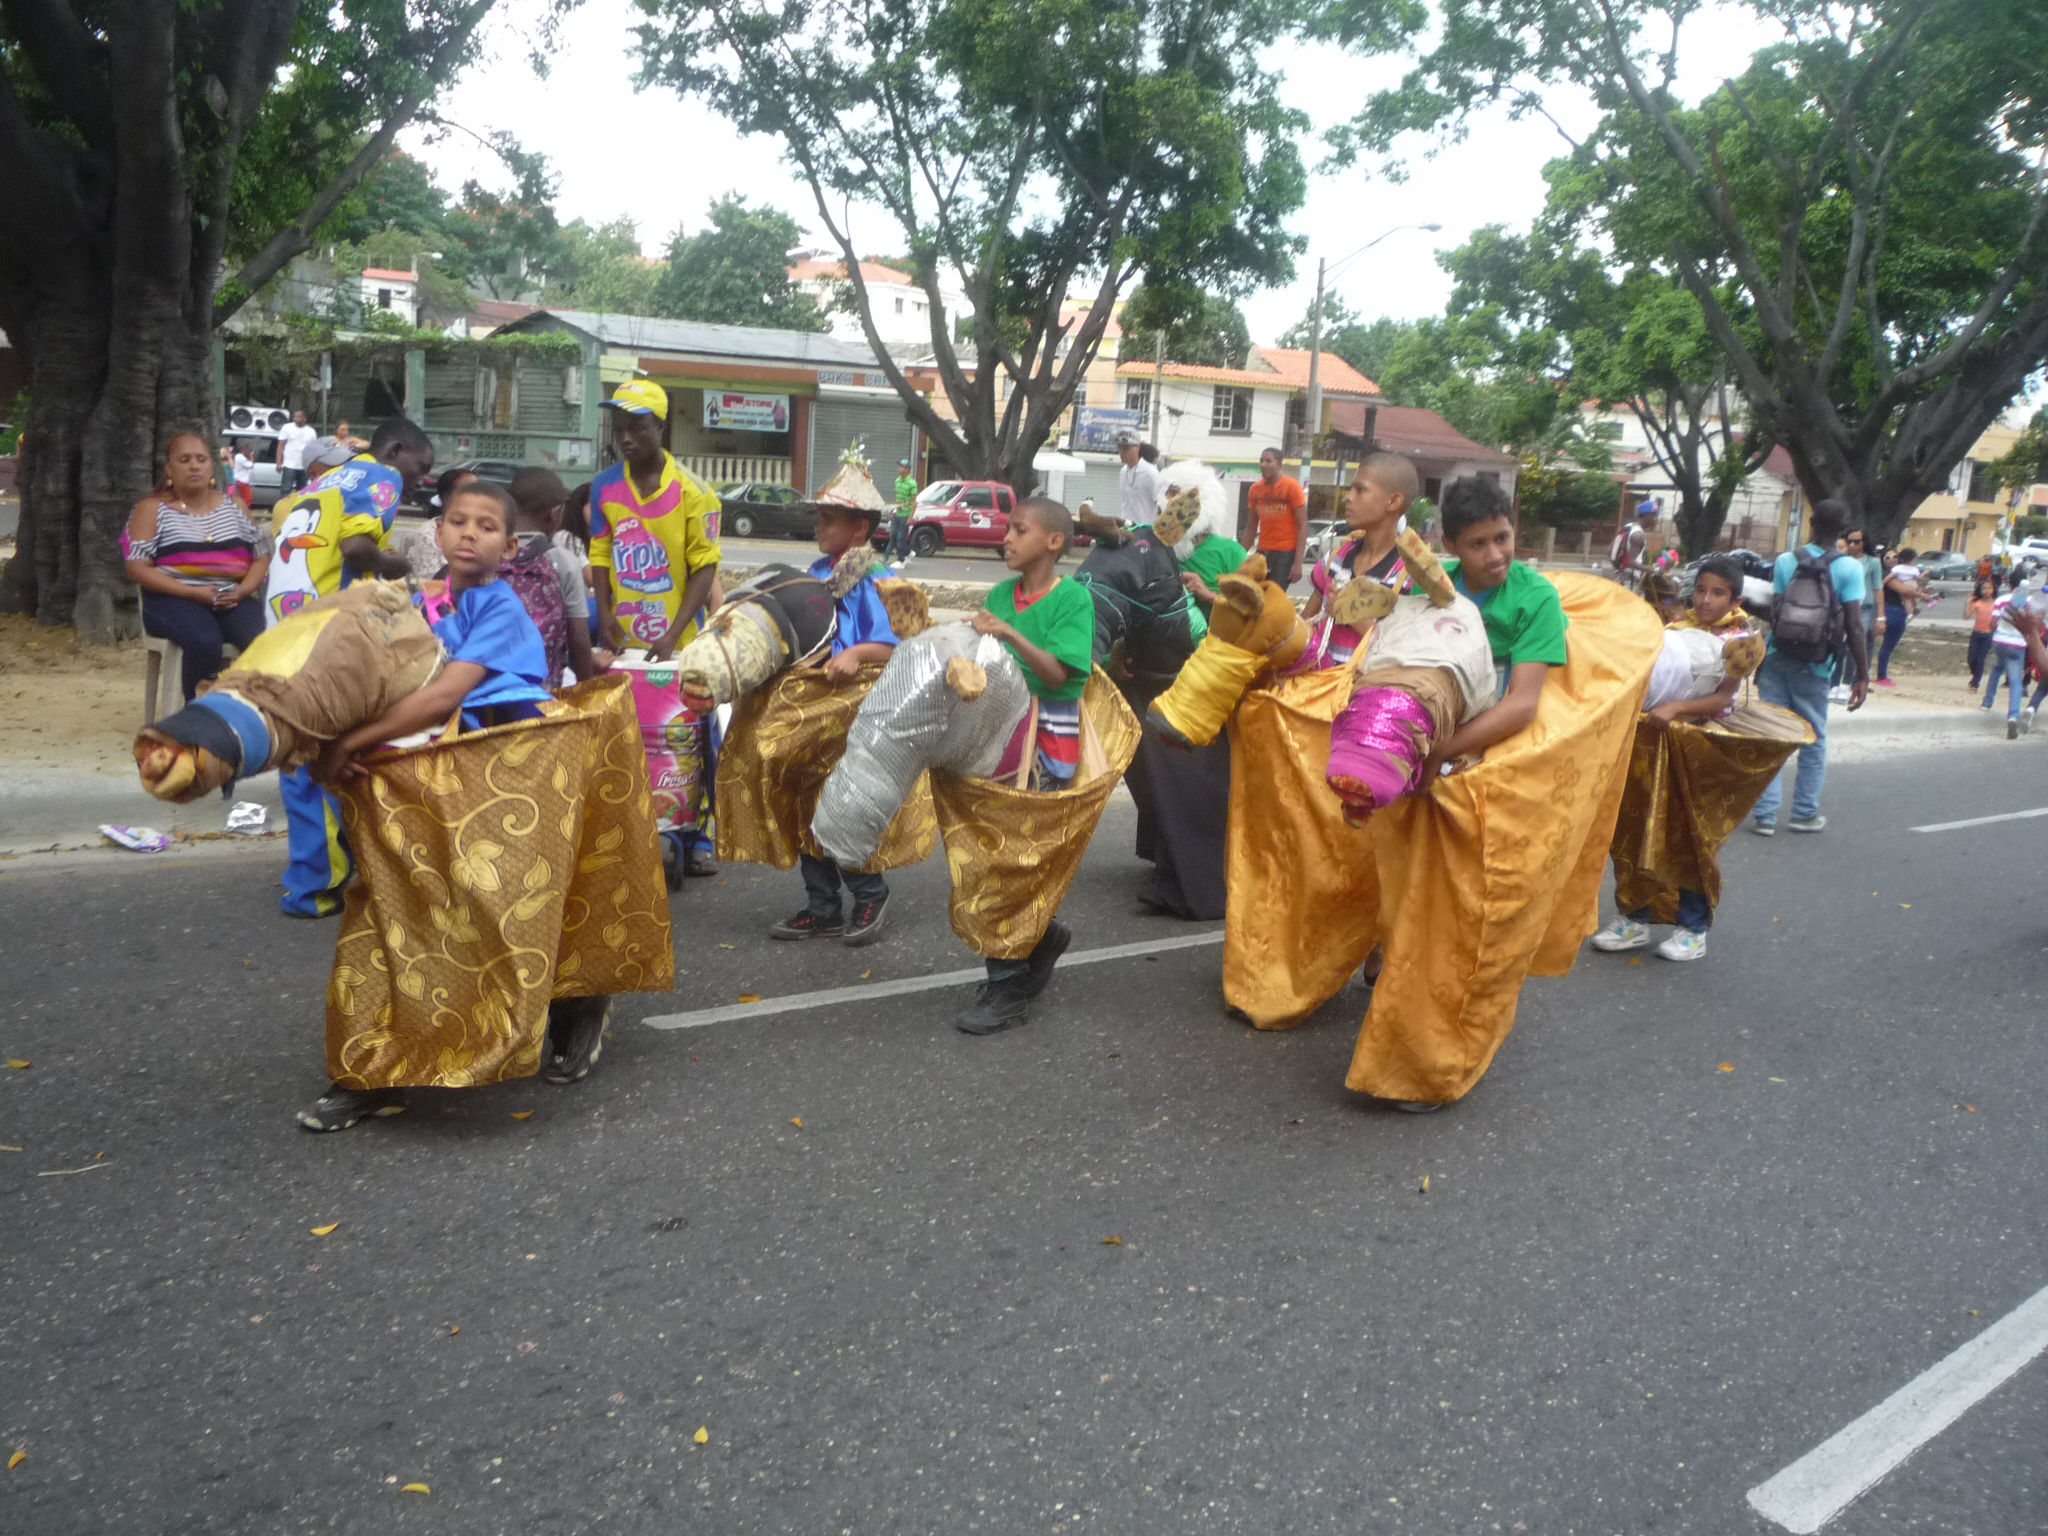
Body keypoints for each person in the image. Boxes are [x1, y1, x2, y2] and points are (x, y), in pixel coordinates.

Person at [297, 480, 598, 1131]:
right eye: (457, 521)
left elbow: (441, 698)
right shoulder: (419, 604)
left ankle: (573, 1005)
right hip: (410, 785)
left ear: (510, 545)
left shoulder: (502, 610)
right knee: (382, 913)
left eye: (486, 526)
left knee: (495, 914)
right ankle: (364, 1072)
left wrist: (350, 740)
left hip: (495, 788)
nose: (468, 532)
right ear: (436, 534)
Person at [265, 417, 433, 918]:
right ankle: (316, 886)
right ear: (397, 450)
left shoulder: (322, 481)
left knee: (303, 752)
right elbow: (356, 548)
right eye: (421, 467)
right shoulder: (380, 476)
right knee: (323, 758)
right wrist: (396, 567)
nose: (420, 479)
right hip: (325, 636)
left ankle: (325, 869)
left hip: (283, 626)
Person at [1590, 557, 1785, 962]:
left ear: (1734, 598)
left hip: (1698, 748)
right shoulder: (1677, 628)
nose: (1707, 600)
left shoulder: (1743, 641)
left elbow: (1721, 699)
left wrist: (1677, 706)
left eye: (1717, 593)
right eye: (1700, 591)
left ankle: (1693, 927)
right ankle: (1633, 917)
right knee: (1632, 827)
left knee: (1690, 835)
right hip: (1650, 741)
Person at [956, 498, 1099, 1034]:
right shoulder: (999, 594)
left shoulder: (1073, 601)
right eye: (1009, 529)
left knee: (1014, 864)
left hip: (1045, 753)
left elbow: (1058, 674)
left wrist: (1008, 634)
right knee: (992, 859)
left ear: (1055, 542)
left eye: (1020, 530)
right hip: (997, 745)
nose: (1007, 538)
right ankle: (1039, 940)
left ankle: (1008, 986)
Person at [588, 377, 724, 880]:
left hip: (679, 642)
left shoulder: (695, 493)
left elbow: (703, 567)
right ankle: (645, 823)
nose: (627, 437)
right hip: (624, 642)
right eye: (620, 427)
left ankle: (700, 835)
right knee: (639, 738)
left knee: (693, 736)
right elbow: (601, 553)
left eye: (638, 427)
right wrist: (604, 615)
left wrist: (674, 634)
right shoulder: (605, 486)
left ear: (660, 428)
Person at [767, 494, 902, 944]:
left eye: (829, 520)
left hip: (856, 709)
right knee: (807, 796)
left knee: (847, 803)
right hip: (810, 705)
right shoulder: (816, 574)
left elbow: (899, 643)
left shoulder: (880, 580)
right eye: (819, 519)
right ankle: (821, 905)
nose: (819, 528)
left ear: (859, 529)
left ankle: (869, 893)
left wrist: (857, 653)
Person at [1425, 476, 1570, 777]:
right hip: (1435, 724)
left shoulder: (1536, 599)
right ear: (1450, 545)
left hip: (1504, 739)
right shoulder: (1429, 588)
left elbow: (1521, 705)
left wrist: (1440, 751)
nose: (1494, 556)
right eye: (1477, 544)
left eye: (1502, 538)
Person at [122, 431, 271, 703]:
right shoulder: (153, 508)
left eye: (201, 459)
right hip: (173, 599)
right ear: (170, 468)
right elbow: (137, 567)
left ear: (211, 466)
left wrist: (243, 591)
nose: (194, 466)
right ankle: (199, 719)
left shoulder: (234, 505)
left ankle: (251, 715)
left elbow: (261, 556)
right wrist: (193, 593)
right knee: (203, 641)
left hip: (232, 597)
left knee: (262, 638)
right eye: (184, 459)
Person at [1751, 497, 1868, 836]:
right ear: (1844, 530)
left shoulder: (1787, 560)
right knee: (1813, 739)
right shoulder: (1849, 568)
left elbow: (1775, 611)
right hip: (1816, 666)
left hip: (1776, 656)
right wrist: (1862, 674)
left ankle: (1765, 816)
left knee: (1772, 735)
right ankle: (1803, 813)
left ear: (1812, 523)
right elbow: (1854, 625)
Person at [1300, 453, 1416, 668]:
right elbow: (1306, 623)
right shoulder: (1334, 560)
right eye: (1351, 489)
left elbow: (1406, 653)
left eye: (1360, 489)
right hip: (1321, 689)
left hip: (1371, 692)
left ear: (1393, 501)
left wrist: (1352, 617)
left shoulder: (1408, 576)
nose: (1348, 497)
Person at [509, 465, 602, 683]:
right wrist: (586, 687)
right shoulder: (562, 561)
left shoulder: (492, 550)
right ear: (555, 513)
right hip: (541, 689)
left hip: (486, 688)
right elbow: (578, 637)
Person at [1241, 447, 1307, 588]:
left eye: (1269, 461)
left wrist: (1298, 563)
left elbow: (1303, 525)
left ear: (1279, 465)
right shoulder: (1255, 489)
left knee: (1274, 595)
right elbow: (1251, 527)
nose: (1263, 464)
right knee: (1256, 592)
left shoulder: (1292, 487)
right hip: (1263, 551)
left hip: (1285, 553)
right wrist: (1239, 555)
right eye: (1261, 461)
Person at [1832, 528, 1882, 699]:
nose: (1852, 545)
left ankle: (1847, 684)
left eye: (1856, 542)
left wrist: (1881, 616)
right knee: (1839, 644)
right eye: (1849, 541)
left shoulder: (1872, 562)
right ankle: (1834, 683)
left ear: (1864, 543)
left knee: (1854, 643)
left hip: (1865, 607)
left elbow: (1878, 588)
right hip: (1843, 606)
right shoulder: (1841, 560)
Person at [1982, 570, 2033, 737]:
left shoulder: (2001, 600)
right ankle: (2012, 717)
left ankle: (1987, 702)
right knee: (2015, 682)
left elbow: (1993, 623)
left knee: (1997, 669)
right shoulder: (2029, 602)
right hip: (2018, 645)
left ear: (2009, 584)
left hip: (2000, 642)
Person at [1874, 546, 1927, 686]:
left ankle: (1879, 674)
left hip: (1898, 610)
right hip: (1892, 609)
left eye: (1895, 556)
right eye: (1888, 557)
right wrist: (1922, 595)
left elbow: (1916, 586)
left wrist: (1920, 589)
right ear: (1882, 559)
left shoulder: (1901, 572)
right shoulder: (1888, 573)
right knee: (1886, 645)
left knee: (1887, 645)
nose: (1893, 559)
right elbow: (1904, 590)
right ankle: (1880, 676)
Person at [1117, 432, 1164, 526]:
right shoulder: (1123, 471)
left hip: (1144, 531)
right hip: (1125, 528)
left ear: (1137, 448)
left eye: (1126, 448)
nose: (1122, 452)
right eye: (1120, 448)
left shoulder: (1151, 473)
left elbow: (1161, 506)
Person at [273, 409, 318, 496]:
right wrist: (279, 462)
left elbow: (313, 449)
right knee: (286, 489)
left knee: (302, 491)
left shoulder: (311, 431)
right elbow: (280, 445)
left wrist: (313, 466)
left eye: (299, 417)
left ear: (305, 418)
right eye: (295, 417)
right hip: (289, 465)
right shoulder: (287, 427)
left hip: (304, 466)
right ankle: (283, 509)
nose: (296, 419)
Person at [1966, 577, 1999, 690]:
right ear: (1980, 591)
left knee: (1980, 659)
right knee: (1971, 659)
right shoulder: (1978, 603)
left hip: (1989, 635)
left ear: (1993, 589)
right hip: (1976, 634)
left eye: (1989, 588)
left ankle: (1975, 684)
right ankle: (1976, 675)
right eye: (1984, 588)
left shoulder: (1997, 603)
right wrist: (1968, 603)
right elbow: (1966, 617)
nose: (1986, 591)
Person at [888, 457, 917, 567]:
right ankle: (909, 553)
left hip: (905, 514)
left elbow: (915, 501)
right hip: (897, 513)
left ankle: (901, 560)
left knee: (901, 538)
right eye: (899, 466)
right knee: (893, 537)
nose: (899, 468)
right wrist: (893, 509)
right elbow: (897, 497)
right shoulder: (897, 481)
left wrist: (911, 517)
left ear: (907, 469)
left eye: (901, 467)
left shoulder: (912, 483)